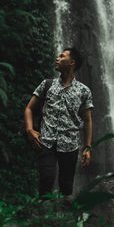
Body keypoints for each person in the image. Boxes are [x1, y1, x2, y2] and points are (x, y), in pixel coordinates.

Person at [24, 48, 93, 199]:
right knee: (46, 181)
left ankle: (64, 220)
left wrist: (87, 147)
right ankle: (43, 218)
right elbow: (29, 108)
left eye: (62, 56)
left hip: (70, 146)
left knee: (67, 188)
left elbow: (87, 120)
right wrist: (29, 130)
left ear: (72, 62)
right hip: (46, 143)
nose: (57, 58)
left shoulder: (83, 91)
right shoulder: (46, 85)